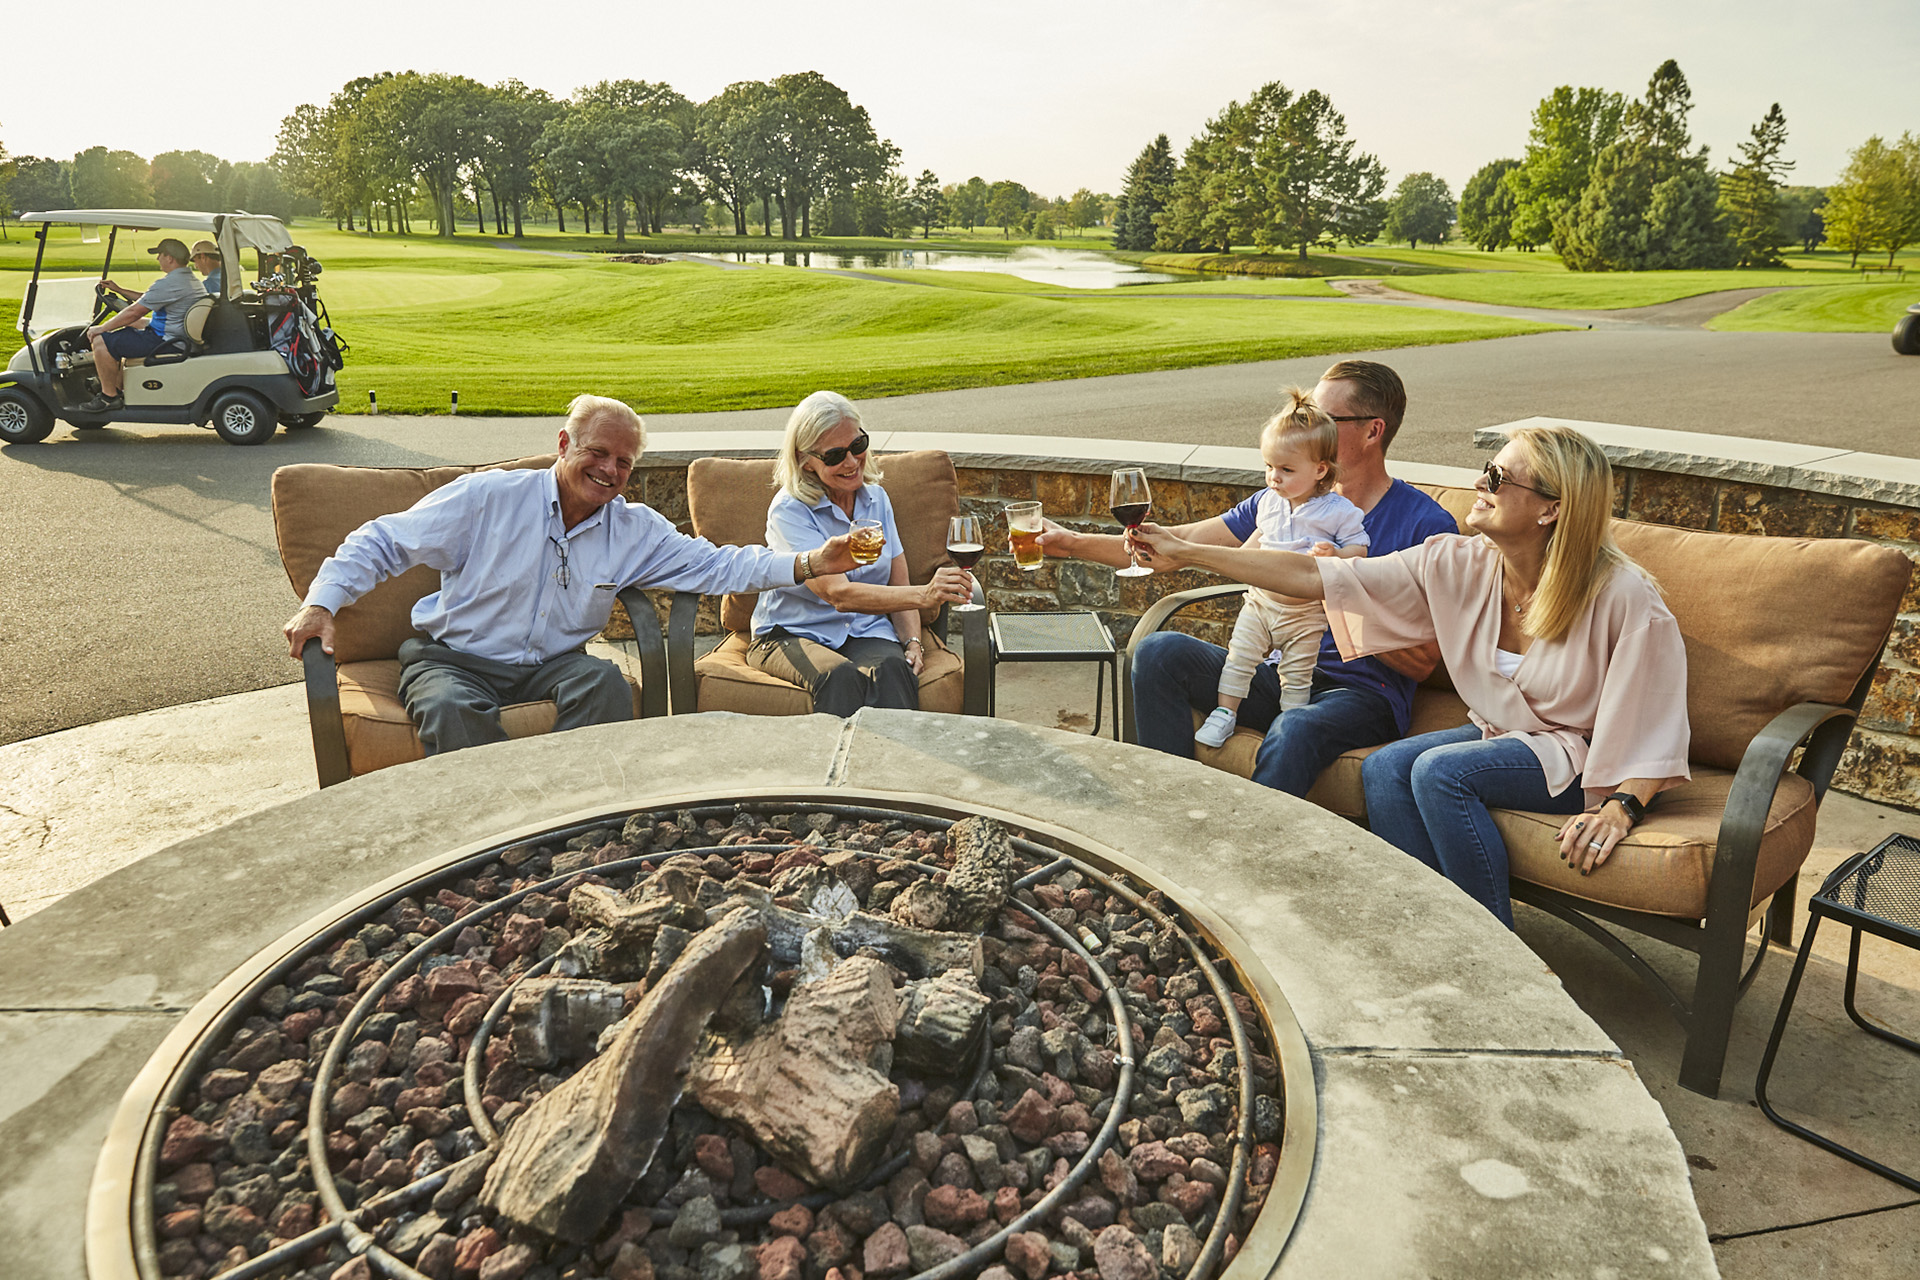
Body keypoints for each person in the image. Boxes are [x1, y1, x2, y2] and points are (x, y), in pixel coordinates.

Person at [1129, 425, 1690, 927]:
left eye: (1497, 475)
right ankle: (1425, 927)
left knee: (1439, 773)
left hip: (1586, 757)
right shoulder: (1460, 562)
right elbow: (1315, 574)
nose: (1480, 481)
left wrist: (1625, 805)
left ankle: (1493, 955)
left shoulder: (1623, 595)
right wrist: (1189, 553)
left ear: (1550, 509)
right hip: (1501, 733)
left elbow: (1658, 714)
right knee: (1386, 768)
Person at [282, 394, 863, 755]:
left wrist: (814, 562)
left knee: (605, 683)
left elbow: (718, 564)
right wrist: (322, 603)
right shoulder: (489, 496)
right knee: (452, 710)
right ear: (564, 444)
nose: (610, 471)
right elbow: (384, 540)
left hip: (554, 667)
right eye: (598, 453)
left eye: (624, 462)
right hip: (454, 657)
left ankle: (575, 822)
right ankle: (488, 834)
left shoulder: (633, 529)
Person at [1039, 360, 1459, 795]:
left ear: (1373, 431)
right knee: (1159, 651)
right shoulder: (1279, 498)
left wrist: (1330, 589)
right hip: (1276, 674)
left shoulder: (1425, 525)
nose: (1305, 423)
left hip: (1359, 691)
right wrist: (1071, 542)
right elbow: (1178, 544)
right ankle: (1168, 808)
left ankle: (1243, 851)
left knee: (1296, 724)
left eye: (1321, 416)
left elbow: (1425, 660)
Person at [748, 391, 972, 716]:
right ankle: (835, 766)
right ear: (804, 460)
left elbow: (898, 584)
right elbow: (838, 594)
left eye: (857, 446)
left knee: (895, 671)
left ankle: (900, 765)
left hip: (865, 629)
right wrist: (925, 595)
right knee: (838, 677)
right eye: (835, 455)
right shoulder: (790, 511)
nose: (852, 462)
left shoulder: (877, 500)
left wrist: (912, 642)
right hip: (791, 633)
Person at [1194, 390, 1369, 749]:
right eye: (1269, 467)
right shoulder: (1269, 504)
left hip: (1305, 614)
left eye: (1286, 470)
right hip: (1260, 605)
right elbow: (1250, 550)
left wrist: (1336, 554)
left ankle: (1287, 723)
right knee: (1239, 659)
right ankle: (1225, 714)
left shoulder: (1338, 511)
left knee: (1297, 676)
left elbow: (1360, 551)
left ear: (1320, 470)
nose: (1274, 477)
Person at [79, 238, 205, 412]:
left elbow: (134, 312)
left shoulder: (169, 283)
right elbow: (147, 298)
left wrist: (100, 328)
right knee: (130, 327)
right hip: (176, 334)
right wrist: (120, 290)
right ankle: (119, 385)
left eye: (160, 255)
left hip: (167, 340)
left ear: (169, 258)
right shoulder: (188, 279)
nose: (157, 259)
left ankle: (109, 396)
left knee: (101, 340)